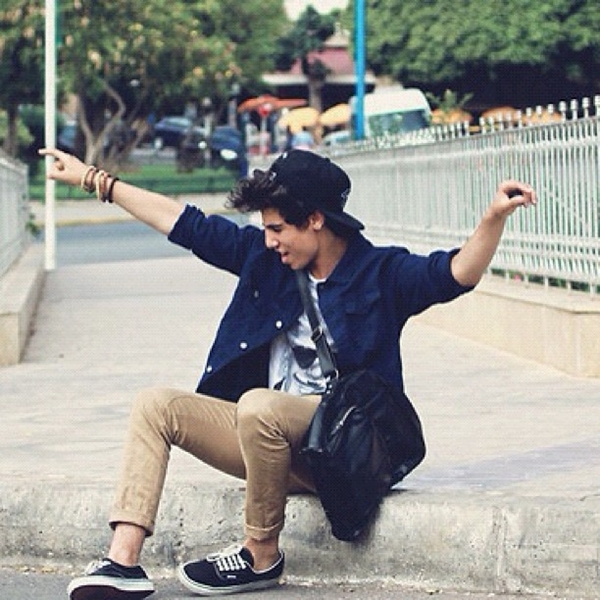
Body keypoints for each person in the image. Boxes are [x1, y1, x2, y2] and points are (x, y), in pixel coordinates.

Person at [38, 146, 536, 599]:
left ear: (315, 219)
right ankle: (123, 563)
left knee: (260, 406)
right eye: (265, 228)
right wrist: (95, 180)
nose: (269, 240)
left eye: (278, 228)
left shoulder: (380, 274)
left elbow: (456, 273)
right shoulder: (265, 260)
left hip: (343, 455)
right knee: (156, 405)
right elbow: (184, 224)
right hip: (269, 444)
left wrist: (492, 218)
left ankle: (260, 554)